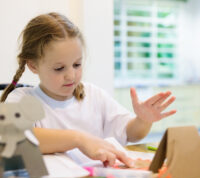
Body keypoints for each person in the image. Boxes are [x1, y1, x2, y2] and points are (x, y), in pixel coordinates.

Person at [0, 12, 176, 167]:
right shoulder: (23, 100)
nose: (71, 75)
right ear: (33, 65)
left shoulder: (94, 95)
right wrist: (79, 139)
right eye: (59, 68)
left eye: (77, 64)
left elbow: (132, 134)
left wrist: (143, 120)